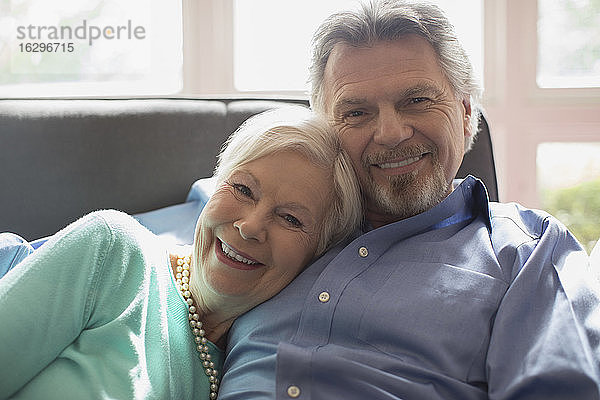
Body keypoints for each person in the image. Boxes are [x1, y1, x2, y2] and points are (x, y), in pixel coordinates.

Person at [218, 1, 600, 399]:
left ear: (467, 112)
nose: (390, 133)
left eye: (416, 101)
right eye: (356, 112)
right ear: (326, 130)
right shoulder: (259, 222)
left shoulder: (529, 249)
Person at [0, 106, 363, 400]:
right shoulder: (113, 251)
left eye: (289, 218)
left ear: (319, 254)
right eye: (242, 189)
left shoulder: (256, 373)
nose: (250, 226)